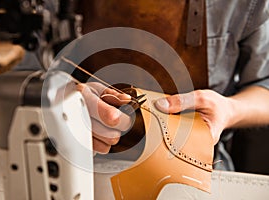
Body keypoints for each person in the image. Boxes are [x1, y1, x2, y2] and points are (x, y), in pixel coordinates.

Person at [75, 0, 269, 170]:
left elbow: (265, 85)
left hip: (200, 169)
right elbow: (46, 65)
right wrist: (68, 96)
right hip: (80, 164)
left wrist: (230, 109)